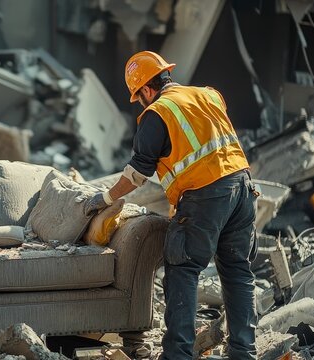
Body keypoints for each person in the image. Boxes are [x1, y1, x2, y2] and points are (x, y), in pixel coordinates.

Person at [84, 51, 259, 359]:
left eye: (138, 96)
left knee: (183, 268)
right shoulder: (208, 95)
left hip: (205, 195)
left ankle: (177, 355)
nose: (140, 101)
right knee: (237, 271)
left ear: (145, 91)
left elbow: (138, 173)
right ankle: (244, 353)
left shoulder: (157, 113)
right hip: (243, 189)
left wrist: (106, 198)